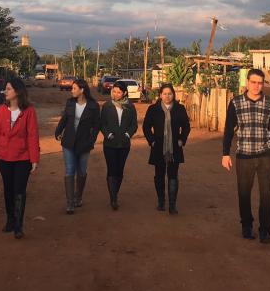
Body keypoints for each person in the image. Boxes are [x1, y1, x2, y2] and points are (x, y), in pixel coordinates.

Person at [221, 69, 270, 244]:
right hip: (244, 156)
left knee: (266, 194)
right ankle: (246, 226)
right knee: (244, 193)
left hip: (266, 155)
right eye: (253, 82)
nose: (256, 86)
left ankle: (265, 230)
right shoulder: (236, 103)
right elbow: (228, 129)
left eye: (260, 83)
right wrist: (225, 153)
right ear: (247, 82)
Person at [0, 78, 40, 238]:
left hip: (22, 158)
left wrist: (34, 159)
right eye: (5, 89)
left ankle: (18, 225)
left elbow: (32, 135)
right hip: (3, 157)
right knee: (8, 189)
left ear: (18, 92)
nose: (5, 91)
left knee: (19, 190)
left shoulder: (29, 111)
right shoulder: (1, 110)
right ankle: (10, 220)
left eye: (8, 89)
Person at [54, 79, 101, 214]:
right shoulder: (70, 103)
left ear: (82, 90)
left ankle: (78, 197)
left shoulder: (93, 106)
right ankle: (70, 203)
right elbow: (64, 119)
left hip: (84, 143)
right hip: (68, 142)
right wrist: (58, 131)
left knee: (81, 171)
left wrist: (91, 140)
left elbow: (97, 126)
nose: (72, 91)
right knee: (69, 170)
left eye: (74, 88)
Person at [142, 83, 190, 214]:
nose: (167, 96)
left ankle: (172, 205)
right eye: (164, 94)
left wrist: (182, 139)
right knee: (159, 175)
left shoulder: (180, 109)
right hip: (158, 146)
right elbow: (146, 126)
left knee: (173, 175)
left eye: (169, 94)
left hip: (175, 147)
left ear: (173, 95)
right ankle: (161, 201)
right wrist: (151, 141)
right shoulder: (153, 109)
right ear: (160, 95)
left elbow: (186, 126)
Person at [99, 80, 138, 210]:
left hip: (124, 145)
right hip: (109, 144)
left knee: (120, 170)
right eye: (114, 91)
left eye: (118, 92)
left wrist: (128, 134)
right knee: (112, 169)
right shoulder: (107, 106)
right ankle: (113, 198)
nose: (115, 94)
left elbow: (134, 125)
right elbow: (102, 124)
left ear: (124, 93)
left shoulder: (130, 107)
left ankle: (115, 193)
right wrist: (108, 134)